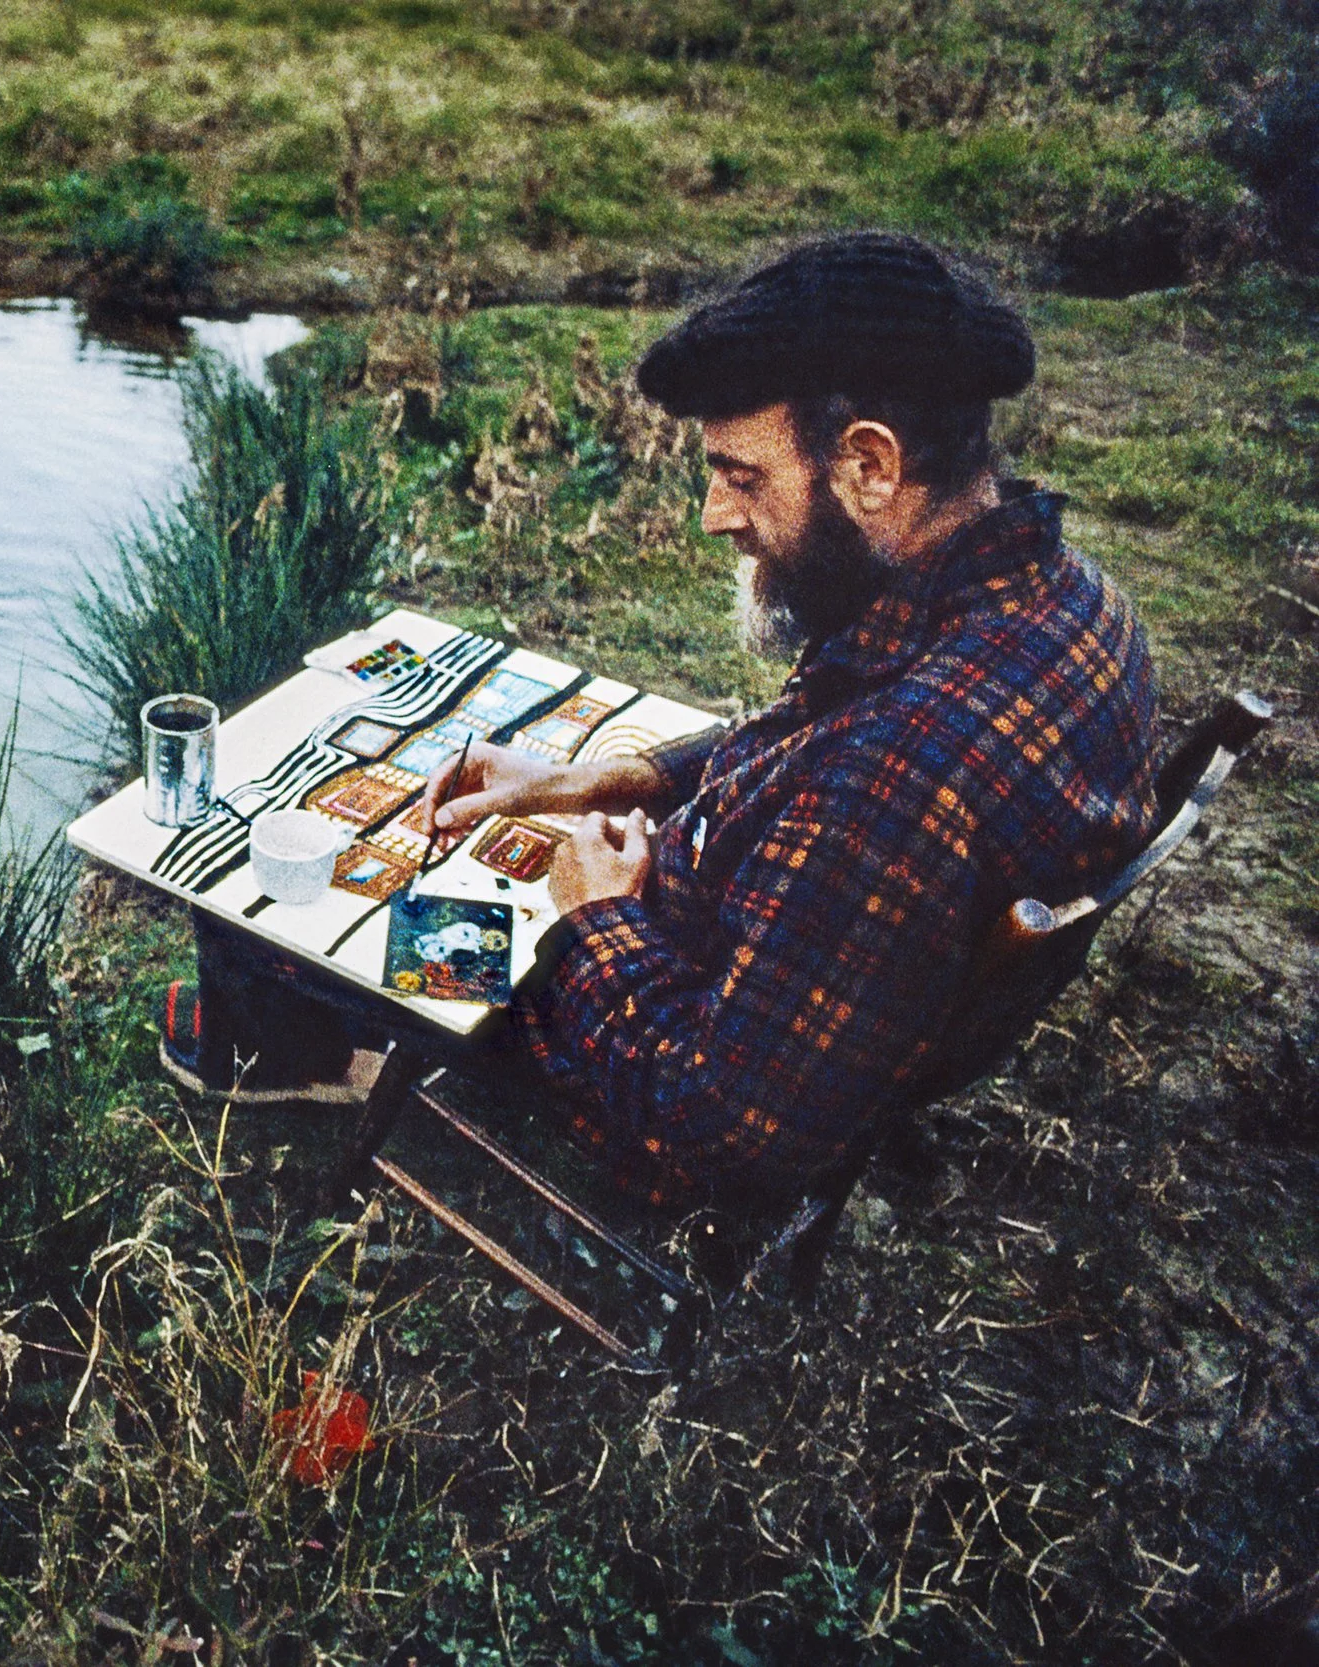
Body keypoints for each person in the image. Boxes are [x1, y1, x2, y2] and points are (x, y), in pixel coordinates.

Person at [414, 231, 1159, 1209]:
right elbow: (820, 727)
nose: (713, 516)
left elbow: (716, 1140)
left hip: (655, 1028)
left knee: (309, 939)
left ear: (869, 465)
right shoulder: (1066, 600)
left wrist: (597, 913)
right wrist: (596, 779)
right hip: (825, 993)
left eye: (743, 475)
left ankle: (303, 1037)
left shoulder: (890, 781)